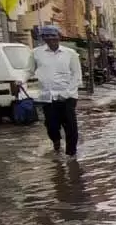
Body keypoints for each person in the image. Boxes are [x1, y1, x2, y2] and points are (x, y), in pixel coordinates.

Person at [25, 25, 82, 157]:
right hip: (47, 96)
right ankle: (56, 143)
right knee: (51, 126)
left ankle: (71, 155)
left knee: (71, 127)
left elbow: (76, 76)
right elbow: (29, 71)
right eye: (47, 36)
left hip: (68, 96)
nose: (51, 39)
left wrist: (67, 93)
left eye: (53, 36)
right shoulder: (36, 53)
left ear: (59, 37)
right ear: (43, 38)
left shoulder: (70, 54)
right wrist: (20, 80)